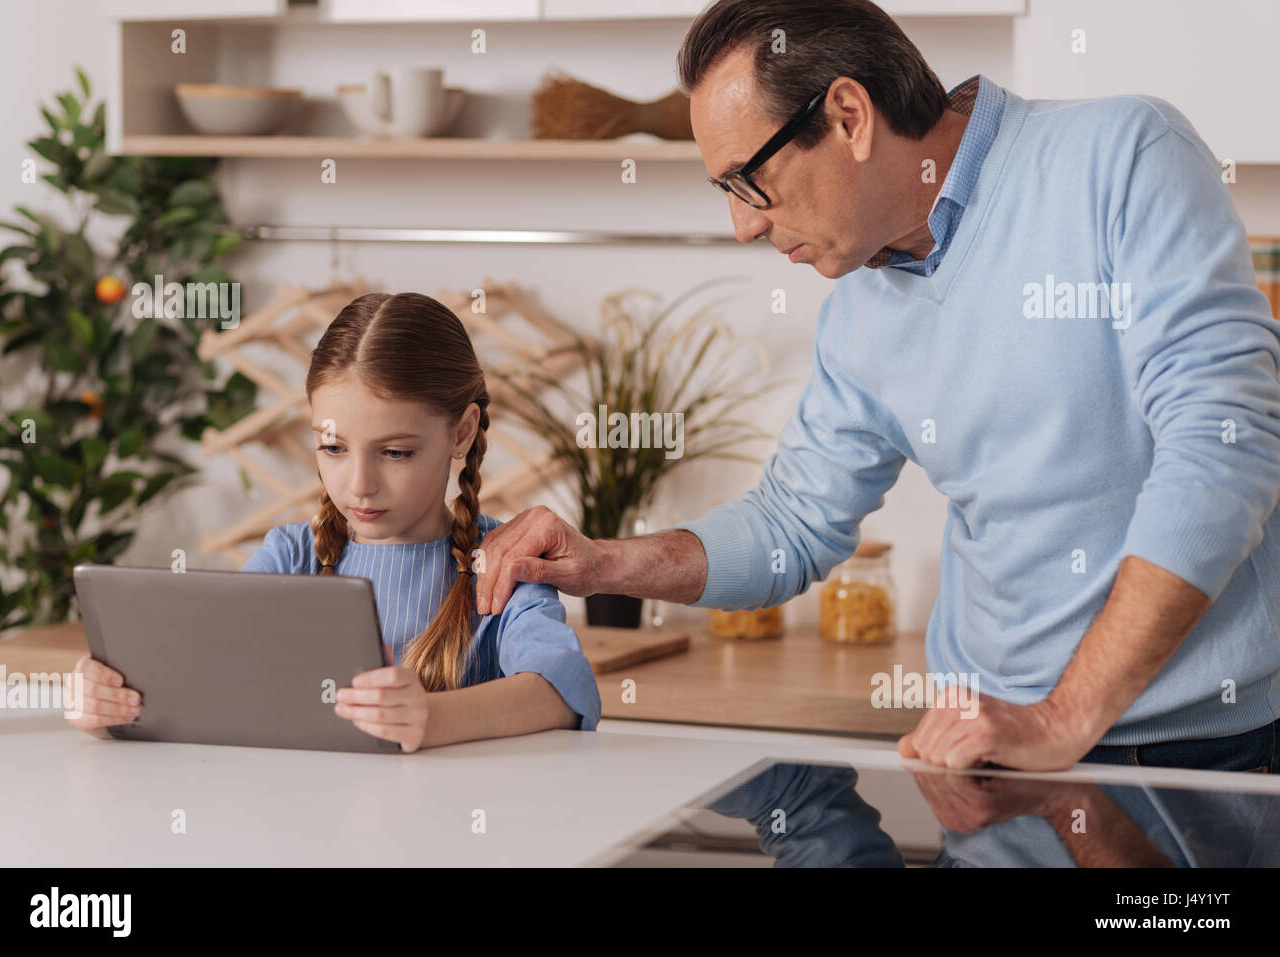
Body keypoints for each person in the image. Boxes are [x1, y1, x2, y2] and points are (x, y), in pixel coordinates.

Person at [473, 0, 1280, 774]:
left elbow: (1225, 445)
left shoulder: (1122, 155)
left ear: (850, 116)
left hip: (1201, 753)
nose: (744, 225)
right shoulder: (862, 305)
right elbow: (792, 523)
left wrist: (1066, 714)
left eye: (748, 180)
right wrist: (601, 561)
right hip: (986, 749)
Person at [68, 292, 601, 750]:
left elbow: (563, 693)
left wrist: (430, 719)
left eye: (395, 452)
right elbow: (203, 672)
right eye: (334, 448)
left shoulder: (504, 562)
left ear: (462, 433)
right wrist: (111, 705)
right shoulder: (292, 556)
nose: (359, 484)